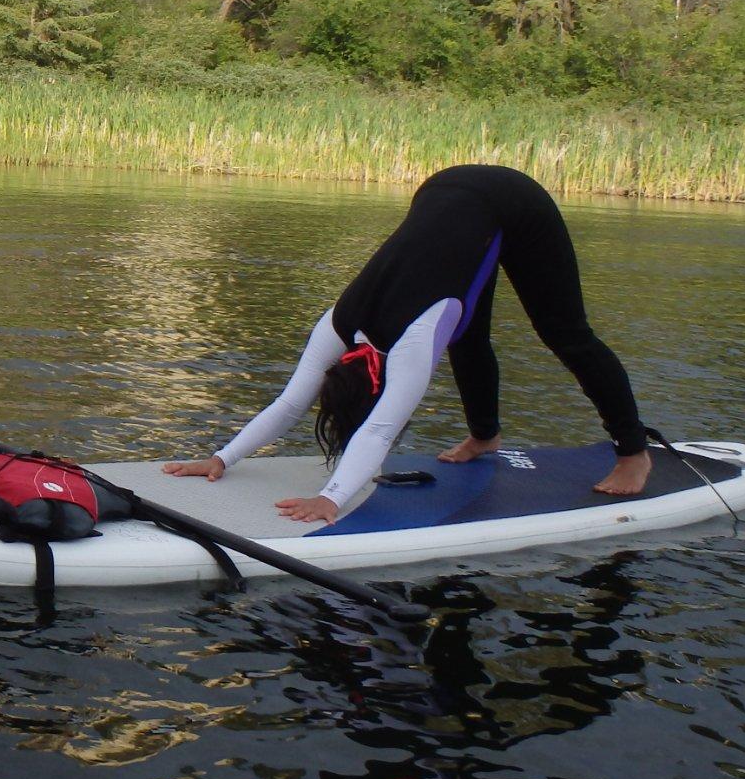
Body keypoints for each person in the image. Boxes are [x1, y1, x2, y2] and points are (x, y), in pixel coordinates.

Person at [164, 164, 652, 523]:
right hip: (441, 190)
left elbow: (376, 432)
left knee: (565, 334)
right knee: (465, 334)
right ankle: (485, 435)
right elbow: (292, 403)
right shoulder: (337, 324)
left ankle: (633, 453)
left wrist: (331, 499)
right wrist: (221, 458)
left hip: (515, 205)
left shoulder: (411, 346)